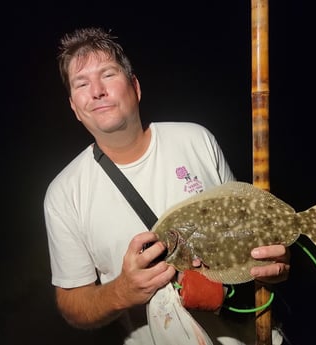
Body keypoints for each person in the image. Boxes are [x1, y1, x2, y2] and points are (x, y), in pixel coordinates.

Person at [43, 26, 290, 345]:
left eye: (108, 74)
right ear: (75, 108)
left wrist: (273, 260)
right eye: (81, 83)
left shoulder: (195, 139)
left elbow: (250, 228)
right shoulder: (64, 194)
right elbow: (71, 303)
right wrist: (122, 292)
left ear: (135, 87)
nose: (97, 91)